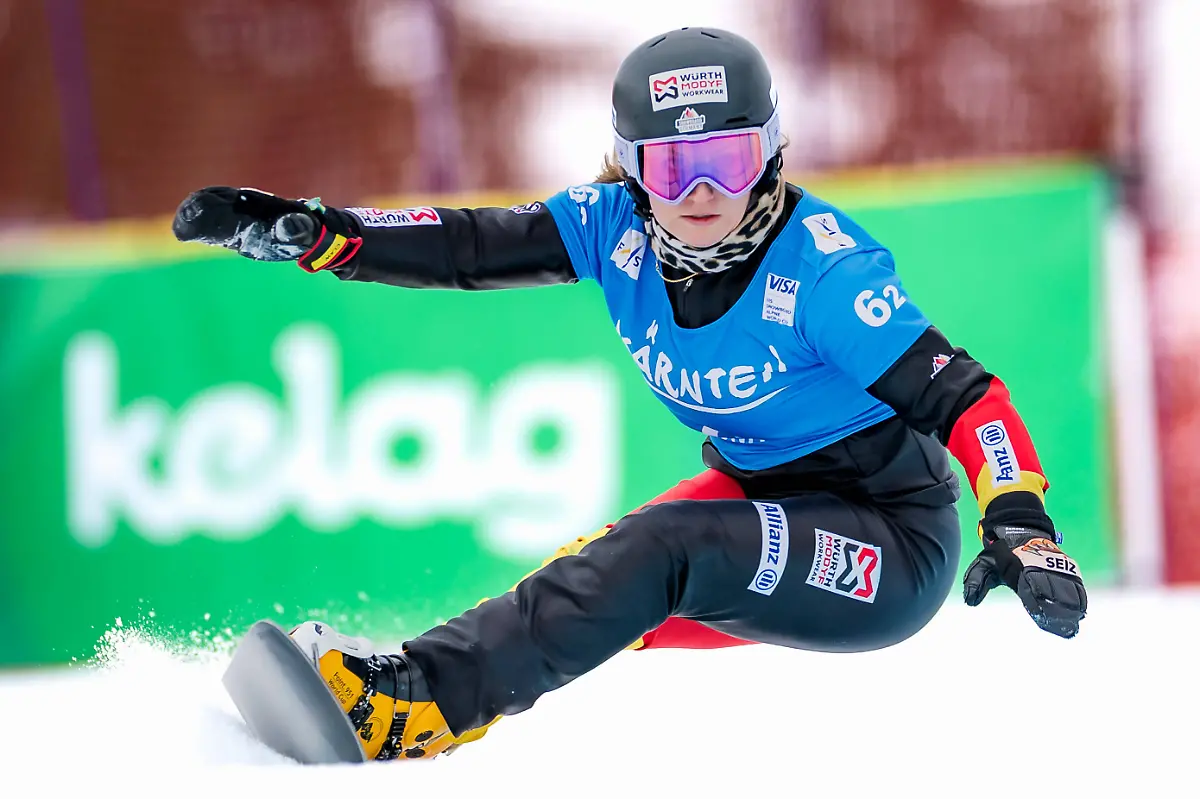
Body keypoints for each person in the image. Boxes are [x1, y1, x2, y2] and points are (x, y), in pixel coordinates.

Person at [172, 27, 1087, 761]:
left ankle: (414, 704)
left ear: (769, 155)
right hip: (760, 497)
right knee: (600, 568)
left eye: (724, 161)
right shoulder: (613, 229)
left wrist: (1021, 521)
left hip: (886, 541)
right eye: (666, 166)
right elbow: (468, 245)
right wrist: (324, 235)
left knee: (658, 549)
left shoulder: (824, 273)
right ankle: (410, 683)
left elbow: (964, 394)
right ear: (628, 169)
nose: (697, 193)